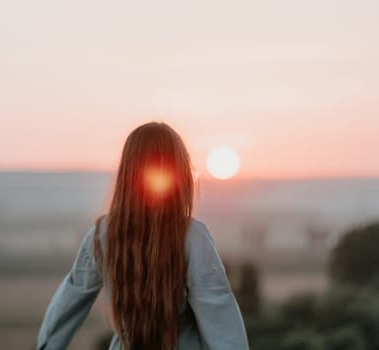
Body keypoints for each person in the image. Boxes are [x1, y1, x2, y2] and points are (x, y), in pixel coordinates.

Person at [36, 122, 249, 350]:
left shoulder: (101, 235)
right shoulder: (193, 236)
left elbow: (66, 307)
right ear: (180, 172)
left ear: (128, 173)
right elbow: (218, 313)